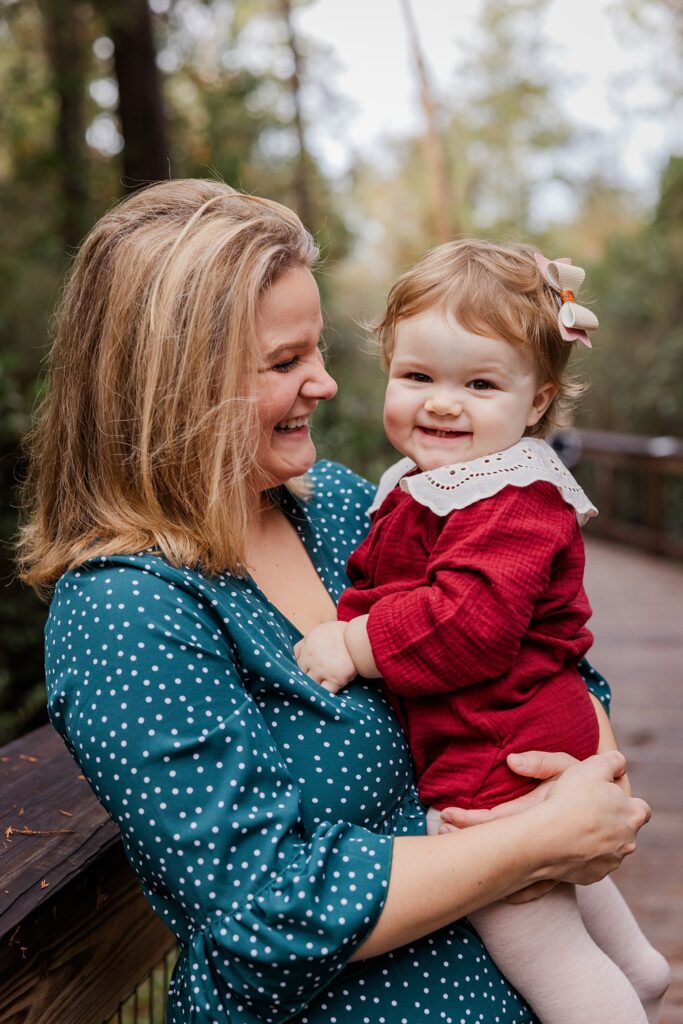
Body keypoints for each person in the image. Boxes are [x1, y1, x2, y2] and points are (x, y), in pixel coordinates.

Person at [18, 180, 652, 1024]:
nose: (324, 383)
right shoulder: (126, 615)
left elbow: (541, 647)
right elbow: (269, 905)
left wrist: (590, 780)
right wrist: (541, 838)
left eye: (315, 351)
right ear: (173, 386)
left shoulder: (345, 508)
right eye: (285, 363)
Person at [294, 240, 670, 1024]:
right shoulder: (436, 484)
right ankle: (636, 972)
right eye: (417, 376)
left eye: (479, 384)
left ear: (537, 401)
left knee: (546, 950)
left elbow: (469, 625)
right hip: (522, 725)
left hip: (492, 751)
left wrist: (355, 645)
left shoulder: (509, 497)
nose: (441, 403)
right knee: (589, 930)